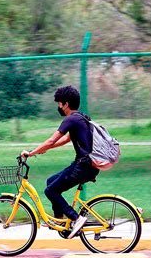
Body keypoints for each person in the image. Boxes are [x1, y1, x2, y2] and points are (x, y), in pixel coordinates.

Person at [20, 85, 99, 239]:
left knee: (50, 191)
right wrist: (44, 149)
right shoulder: (81, 117)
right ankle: (60, 222)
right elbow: (65, 140)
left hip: (82, 166)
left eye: (59, 103)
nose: (59, 106)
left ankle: (76, 218)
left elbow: (51, 140)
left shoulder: (70, 119)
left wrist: (31, 153)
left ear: (66, 104)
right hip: (86, 165)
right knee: (50, 181)